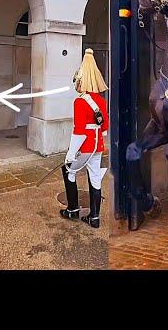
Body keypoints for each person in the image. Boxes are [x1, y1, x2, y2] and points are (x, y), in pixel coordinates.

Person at [61, 48, 109, 228]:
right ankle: (94, 217)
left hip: (85, 147)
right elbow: (105, 127)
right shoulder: (101, 101)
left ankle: (72, 209)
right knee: (95, 177)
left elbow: (79, 131)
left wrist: (71, 153)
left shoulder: (80, 102)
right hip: (97, 147)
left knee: (68, 170)